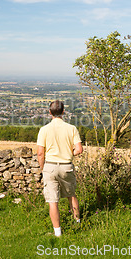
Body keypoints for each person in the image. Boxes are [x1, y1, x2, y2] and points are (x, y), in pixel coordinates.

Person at [36, 100, 83, 237]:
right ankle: (77, 222)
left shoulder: (44, 130)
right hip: (66, 166)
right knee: (71, 195)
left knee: (53, 200)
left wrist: (43, 168)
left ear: (50, 112)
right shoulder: (71, 128)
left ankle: (58, 233)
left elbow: (40, 153)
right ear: (63, 112)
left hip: (50, 166)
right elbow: (79, 150)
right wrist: (69, 153)